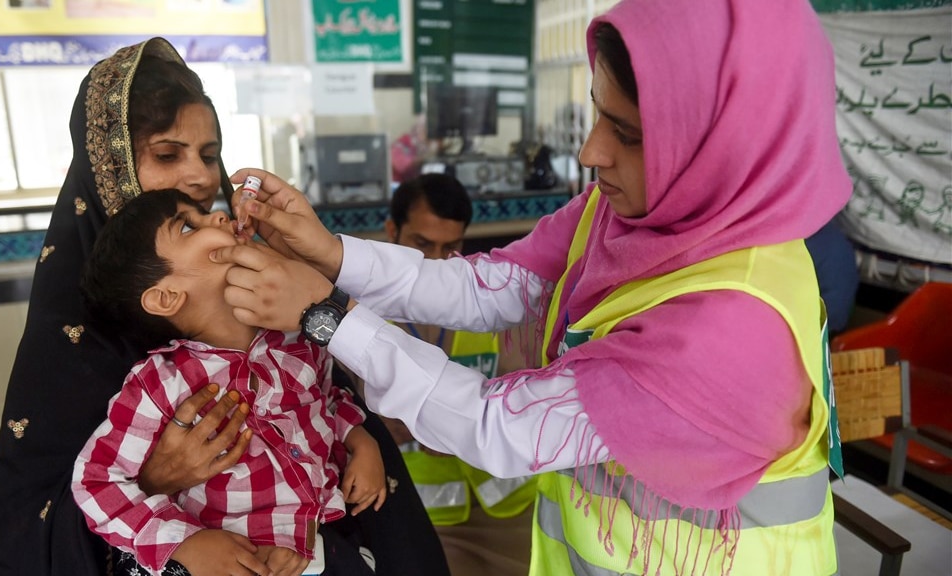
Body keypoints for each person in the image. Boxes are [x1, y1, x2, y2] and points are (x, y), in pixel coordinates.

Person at [214, 0, 851, 574]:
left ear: (724, 146)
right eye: (600, 111)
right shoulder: (642, 213)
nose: (591, 152)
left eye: (627, 134)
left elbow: (497, 426)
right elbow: (488, 286)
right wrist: (330, 253)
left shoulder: (728, 331)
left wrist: (325, 313)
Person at [0, 37, 448, 576]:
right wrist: (156, 479)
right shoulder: (71, 336)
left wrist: (355, 433)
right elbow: (34, 521)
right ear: (109, 166)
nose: (202, 178)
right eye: (166, 154)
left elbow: (322, 400)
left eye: (209, 154)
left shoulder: (254, 290)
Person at [74, 189, 385, 576]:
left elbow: (327, 402)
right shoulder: (161, 385)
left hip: (326, 542)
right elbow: (96, 481)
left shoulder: (295, 337)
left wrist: (361, 442)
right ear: (167, 296)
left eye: (206, 212)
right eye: (189, 225)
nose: (219, 217)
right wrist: (186, 543)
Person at [381, 174, 535, 576]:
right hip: (428, 516)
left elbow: (531, 393)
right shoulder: (360, 317)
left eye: (449, 247)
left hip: (512, 505)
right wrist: (386, 426)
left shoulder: (490, 301)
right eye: (421, 244)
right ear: (391, 231)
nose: (435, 261)